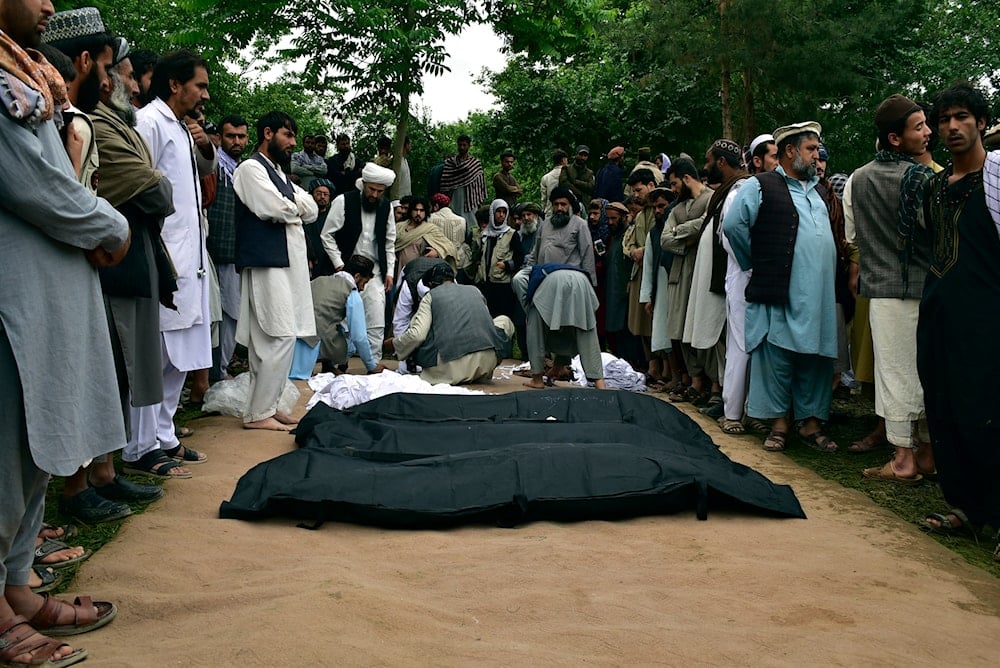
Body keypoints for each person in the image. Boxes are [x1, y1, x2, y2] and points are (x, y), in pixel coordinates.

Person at [1, 2, 127, 662]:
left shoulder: (23, 73)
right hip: (11, 294)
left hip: (42, 291)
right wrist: (110, 226)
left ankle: (15, 587)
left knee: (31, 446)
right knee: (5, 446)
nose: (49, 4)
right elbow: (36, 185)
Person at [723, 121, 839, 453]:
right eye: (811, 149)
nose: (817, 156)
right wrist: (753, 262)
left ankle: (811, 424)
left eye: (817, 150)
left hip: (817, 296)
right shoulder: (760, 185)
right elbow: (733, 225)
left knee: (816, 358)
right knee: (777, 356)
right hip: (782, 291)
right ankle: (778, 425)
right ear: (790, 151)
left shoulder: (818, 189)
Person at [917, 83, 1000, 548]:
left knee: (989, 412)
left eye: (963, 117)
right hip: (939, 317)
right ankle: (967, 508)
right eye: (945, 119)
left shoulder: (997, 179)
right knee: (946, 410)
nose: (952, 127)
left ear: (982, 122)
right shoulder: (933, 186)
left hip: (988, 319)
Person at [128, 49, 214, 476]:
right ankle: (140, 447)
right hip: (164, 256)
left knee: (180, 353)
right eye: (200, 85)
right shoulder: (149, 123)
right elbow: (135, 185)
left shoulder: (181, 126)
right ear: (174, 84)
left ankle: (164, 436)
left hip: (190, 256)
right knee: (157, 352)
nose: (205, 95)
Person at [843, 94, 935, 482]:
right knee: (927, 372)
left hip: (882, 291)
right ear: (895, 139)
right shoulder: (925, 178)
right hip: (926, 289)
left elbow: (851, 237)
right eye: (919, 126)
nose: (929, 132)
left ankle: (903, 457)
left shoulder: (856, 179)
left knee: (895, 374)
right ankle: (922, 457)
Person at [232, 111, 317, 430]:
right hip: (267, 261)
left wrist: (291, 205)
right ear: (268, 133)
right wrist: (293, 206)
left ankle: (265, 407)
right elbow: (271, 207)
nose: (293, 143)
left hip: (286, 264)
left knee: (283, 333)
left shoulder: (278, 172)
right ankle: (260, 414)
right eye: (288, 135)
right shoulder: (251, 169)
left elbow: (311, 208)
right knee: (275, 334)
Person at [320, 162, 397, 361]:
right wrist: (339, 264)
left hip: (376, 272)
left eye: (380, 191)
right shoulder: (342, 201)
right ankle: (340, 362)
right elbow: (326, 235)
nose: (375, 195)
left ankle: (374, 363)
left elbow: (390, 241)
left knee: (376, 319)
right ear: (363, 184)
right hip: (347, 271)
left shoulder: (386, 206)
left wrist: (389, 272)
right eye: (372, 189)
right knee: (343, 321)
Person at [388, 264, 513, 385]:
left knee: (419, 328)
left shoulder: (431, 296)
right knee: (504, 321)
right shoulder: (475, 290)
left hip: (450, 371)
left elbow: (417, 335)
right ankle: (481, 368)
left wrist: (396, 344)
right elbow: (487, 326)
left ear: (431, 284)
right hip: (486, 364)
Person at [660, 159, 715, 404]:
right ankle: (694, 382)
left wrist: (679, 231)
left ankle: (711, 384)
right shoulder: (676, 209)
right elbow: (664, 240)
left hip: (703, 272)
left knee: (701, 327)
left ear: (685, 178)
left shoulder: (712, 198)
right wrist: (688, 239)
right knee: (680, 330)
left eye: (673, 183)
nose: (672, 189)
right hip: (679, 273)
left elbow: (708, 222)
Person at [206, 114, 248, 382]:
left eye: (241, 136)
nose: (236, 141)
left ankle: (218, 371)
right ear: (220, 138)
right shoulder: (214, 166)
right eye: (231, 136)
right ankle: (216, 374)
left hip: (236, 254)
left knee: (231, 314)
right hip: (216, 251)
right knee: (223, 316)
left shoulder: (239, 167)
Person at [522, 267, 607, 390]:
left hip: (554, 283)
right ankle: (600, 383)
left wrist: (528, 311)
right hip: (582, 282)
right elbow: (565, 330)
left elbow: (534, 337)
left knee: (535, 332)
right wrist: (557, 366)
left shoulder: (523, 277)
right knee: (586, 331)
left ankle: (537, 380)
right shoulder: (543, 269)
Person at [308, 255, 385, 375]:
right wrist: (371, 365)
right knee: (352, 343)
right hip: (319, 344)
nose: (363, 288)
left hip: (300, 341)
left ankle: (325, 365)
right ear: (357, 276)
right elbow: (359, 337)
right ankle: (329, 363)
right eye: (364, 283)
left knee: (337, 328)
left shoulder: (317, 281)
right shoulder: (352, 293)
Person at [478, 199, 523, 327]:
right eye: (498, 212)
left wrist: (507, 265)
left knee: (503, 320)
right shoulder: (485, 234)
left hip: (503, 285)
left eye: (504, 212)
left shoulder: (511, 234)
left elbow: (520, 258)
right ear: (493, 213)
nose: (501, 215)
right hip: (486, 283)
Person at [394, 195, 456, 274]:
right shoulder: (399, 227)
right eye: (415, 210)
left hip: (419, 272)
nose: (418, 213)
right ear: (411, 211)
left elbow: (450, 247)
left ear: (426, 212)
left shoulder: (430, 229)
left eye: (421, 210)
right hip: (398, 271)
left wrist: (437, 252)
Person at [439, 134, 486, 231]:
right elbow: (445, 182)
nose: (462, 147)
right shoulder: (450, 163)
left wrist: (479, 199)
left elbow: (480, 184)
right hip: (455, 197)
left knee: (472, 224)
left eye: (464, 145)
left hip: (471, 199)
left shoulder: (475, 163)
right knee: (454, 221)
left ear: (469, 146)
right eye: (460, 145)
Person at [304, 178, 336, 278]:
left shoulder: (333, 216)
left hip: (329, 264)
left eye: (325, 194)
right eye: (318, 193)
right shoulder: (305, 216)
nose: (322, 197)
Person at [540, 149, 568, 218]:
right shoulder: (570, 175)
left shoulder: (546, 177)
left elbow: (544, 199)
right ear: (563, 160)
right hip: (567, 212)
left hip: (550, 213)